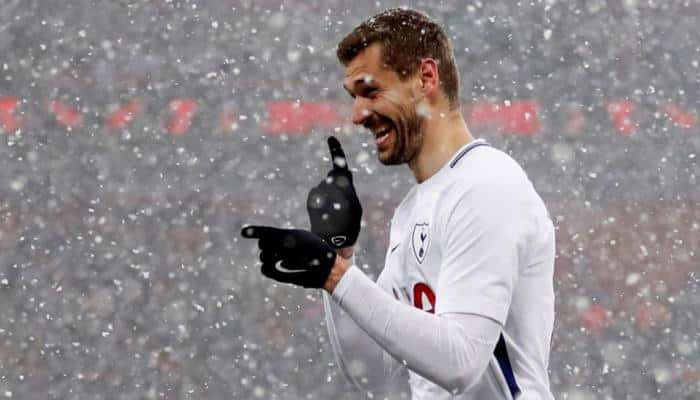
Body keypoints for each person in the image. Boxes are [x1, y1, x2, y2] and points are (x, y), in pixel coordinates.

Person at [242, 8, 555, 399]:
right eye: (354, 97)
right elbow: (377, 374)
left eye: (371, 91)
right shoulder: (415, 207)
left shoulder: (487, 185)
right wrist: (341, 256)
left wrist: (335, 274)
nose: (357, 115)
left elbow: (461, 363)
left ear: (426, 78)